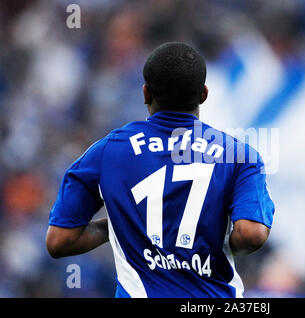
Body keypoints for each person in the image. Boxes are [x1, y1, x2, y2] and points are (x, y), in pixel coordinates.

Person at [45, 42, 275, 298]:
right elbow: (251, 235)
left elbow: (60, 241)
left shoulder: (106, 152)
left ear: (145, 93)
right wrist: (217, 238)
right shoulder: (240, 155)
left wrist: (119, 224)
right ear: (204, 94)